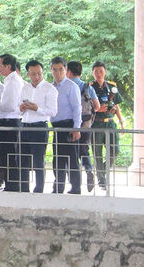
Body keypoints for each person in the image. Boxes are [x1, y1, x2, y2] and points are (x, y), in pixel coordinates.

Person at [19, 60, 57, 193]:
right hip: (24, 126)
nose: (36, 76)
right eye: (33, 74)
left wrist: (37, 108)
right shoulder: (25, 88)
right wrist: (22, 108)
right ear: (28, 74)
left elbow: (53, 111)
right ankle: (24, 188)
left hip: (39, 127)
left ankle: (39, 189)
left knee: (38, 161)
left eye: (39, 73)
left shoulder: (49, 88)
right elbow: (18, 108)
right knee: (22, 160)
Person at [50, 57, 82, 194]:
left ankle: (75, 188)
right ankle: (58, 187)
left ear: (66, 69)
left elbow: (77, 108)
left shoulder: (71, 86)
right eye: (54, 70)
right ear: (51, 70)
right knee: (58, 159)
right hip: (56, 127)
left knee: (72, 159)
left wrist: (76, 128)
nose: (58, 73)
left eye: (61, 69)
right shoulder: (50, 87)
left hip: (69, 126)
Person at [90, 61, 124, 191]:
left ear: (105, 72)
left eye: (101, 71)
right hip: (96, 123)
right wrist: (98, 109)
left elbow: (116, 106)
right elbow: (86, 107)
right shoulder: (90, 88)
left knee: (115, 150)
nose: (98, 74)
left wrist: (121, 122)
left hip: (110, 123)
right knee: (97, 153)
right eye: (96, 71)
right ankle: (102, 181)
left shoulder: (111, 87)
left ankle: (101, 171)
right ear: (92, 73)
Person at [66, 61, 100, 192]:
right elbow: (97, 106)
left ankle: (75, 184)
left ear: (68, 71)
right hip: (85, 124)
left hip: (70, 124)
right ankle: (88, 170)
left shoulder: (67, 85)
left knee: (71, 154)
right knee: (84, 150)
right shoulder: (88, 87)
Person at [0, 55, 24, 192]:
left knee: (10, 156)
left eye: (0, 66)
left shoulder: (13, 81)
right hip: (7, 121)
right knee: (6, 156)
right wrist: (0, 104)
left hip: (10, 122)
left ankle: (13, 186)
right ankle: (10, 184)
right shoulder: (10, 80)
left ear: (8, 66)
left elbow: (11, 106)